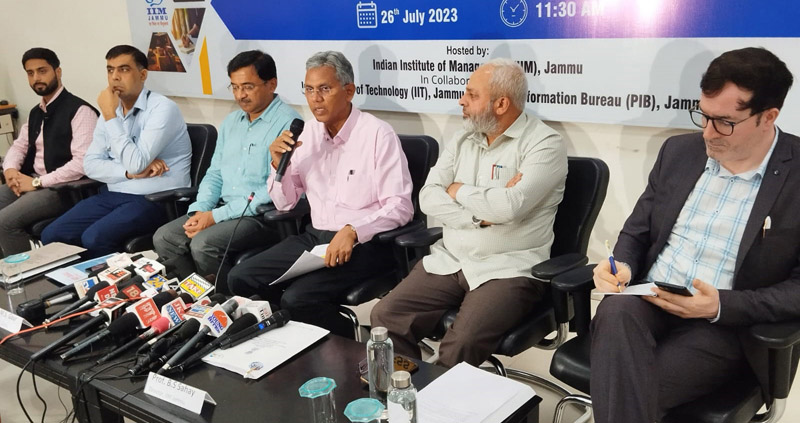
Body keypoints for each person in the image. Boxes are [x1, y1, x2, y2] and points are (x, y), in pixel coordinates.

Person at [590, 47, 800, 423]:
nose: (707, 132)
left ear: (768, 117)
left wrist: (720, 306)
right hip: (650, 295)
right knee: (616, 309)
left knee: (627, 389)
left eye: (724, 122)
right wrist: (619, 264)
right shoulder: (679, 152)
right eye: (703, 115)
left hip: (723, 323)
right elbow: (637, 230)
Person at [370, 58, 568, 367]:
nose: (461, 100)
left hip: (509, 268)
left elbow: (511, 206)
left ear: (501, 103)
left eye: (472, 95)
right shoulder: (464, 138)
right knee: (386, 315)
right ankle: (405, 392)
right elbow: (427, 197)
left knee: (459, 343)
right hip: (452, 258)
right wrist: (476, 217)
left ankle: (437, 410)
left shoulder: (545, 144)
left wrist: (458, 189)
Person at [227, 51, 413, 338]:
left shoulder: (377, 134)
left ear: (348, 90)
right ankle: (297, 342)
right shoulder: (307, 133)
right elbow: (285, 202)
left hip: (365, 243)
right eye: (309, 90)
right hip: (316, 238)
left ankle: (348, 346)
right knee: (240, 277)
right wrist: (279, 165)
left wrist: (353, 230)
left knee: (298, 299)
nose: (315, 98)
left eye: (324, 89)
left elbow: (400, 206)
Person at [152, 50, 299, 288]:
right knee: (165, 237)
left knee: (203, 243)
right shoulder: (232, 122)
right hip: (221, 210)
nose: (240, 95)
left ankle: (227, 305)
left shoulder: (288, 123)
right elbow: (215, 173)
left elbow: (272, 189)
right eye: (235, 87)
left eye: (248, 87)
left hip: (262, 216)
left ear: (271, 84)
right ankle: (197, 300)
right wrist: (200, 210)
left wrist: (214, 217)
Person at [41, 45, 191, 257]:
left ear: (142, 74)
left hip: (156, 199)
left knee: (94, 238)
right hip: (115, 193)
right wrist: (128, 173)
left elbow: (136, 162)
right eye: (110, 70)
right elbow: (91, 164)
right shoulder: (111, 111)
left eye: (123, 69)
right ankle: (79, 286)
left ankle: (114, 288)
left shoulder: (162, 109)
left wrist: (111, 117)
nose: (115, 77)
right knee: (53, 235)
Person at [0, 48, 98, 257]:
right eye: (30, 73)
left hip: (61, 189)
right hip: (32, 181)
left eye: (42, 71)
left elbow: (82, 163)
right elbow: (19, 145)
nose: (36, 78)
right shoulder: (37, 112)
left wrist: (37, 183)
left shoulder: (80, 111)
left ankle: (28, 278)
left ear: (58, 71)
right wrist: (10, 170)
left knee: (5, 222)